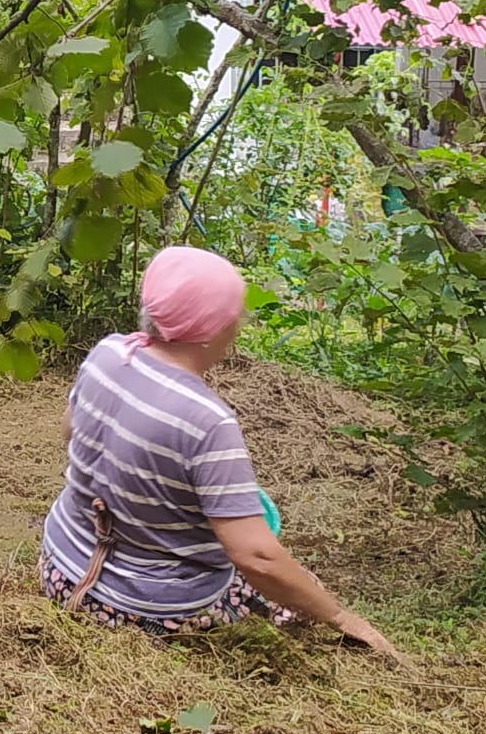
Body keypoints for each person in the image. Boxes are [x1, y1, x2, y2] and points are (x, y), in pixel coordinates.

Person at [40, 245, 397, 655]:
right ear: (215, 329)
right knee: (296, 591)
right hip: (142, 609)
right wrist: (341, 618)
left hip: (61, 568)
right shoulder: (207, 421)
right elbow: (256, 557)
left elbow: (72, 433)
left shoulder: (109, 353)